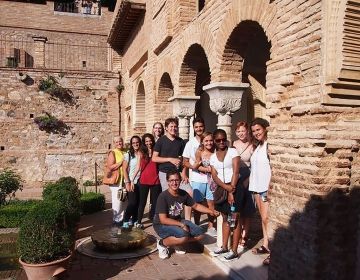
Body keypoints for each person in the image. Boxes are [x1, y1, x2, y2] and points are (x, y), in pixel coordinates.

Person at [153, 170, 219, 259]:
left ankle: (176, 242)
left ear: (180, 181)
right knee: (184, 236)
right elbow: (163, 219)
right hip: (161, 225)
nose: (174, 183)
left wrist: (210, 211)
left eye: (176, 180)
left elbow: (195, 205)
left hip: (177, 221)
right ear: (167, 182)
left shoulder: (183, 193)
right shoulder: (163, 196)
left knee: (201, 233)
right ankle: (162, 244)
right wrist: (182, 224)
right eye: (171, 180)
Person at [210, 129, 243, 261]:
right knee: (225, 218)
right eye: (218, 140)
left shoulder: (233, 151)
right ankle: (224, 246)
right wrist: (225, 187)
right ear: (214, 141)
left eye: (224, 139)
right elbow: (214, 175)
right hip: (222, 188)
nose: (222, 142)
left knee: (234, 219)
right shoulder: (213, 157)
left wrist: (231, 191)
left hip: (235, 188)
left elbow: (236, 171)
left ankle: (234, 251)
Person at [249, 118, 271, 265]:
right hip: (256, 187)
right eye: (254, 131)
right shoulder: (258, 147)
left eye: (258, 129)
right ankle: (266, 245)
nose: (256, 133)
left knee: (267, 219)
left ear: (265, 128)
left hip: (265, 188)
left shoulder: (269, 146)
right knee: (263, 219)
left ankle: (273, 250)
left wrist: (270, 187)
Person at [232, 121, 256, 250]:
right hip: (236, 177)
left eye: (243, 131)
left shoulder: (252, 145)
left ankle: (244, 237)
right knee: (237, 209)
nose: (241, 133)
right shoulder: (233, 144)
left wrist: (248, 179)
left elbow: (255, 165)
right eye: (239, 131)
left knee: (247, 210)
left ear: (247, 131)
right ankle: (237, 233)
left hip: (248, 177)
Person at [191, 131, 217, 236]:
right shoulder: (199, 152)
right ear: (202, 142)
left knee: (211, 203)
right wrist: (208, 170)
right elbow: (196, 166)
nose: (209, 143)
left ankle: (211, 226)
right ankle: (197, 225)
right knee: (198, 203)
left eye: (210, 140)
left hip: (212, 181)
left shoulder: (216, 151)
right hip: (199, 180)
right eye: (206, 141)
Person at [152, 117, 186, 192]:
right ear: (166, 128)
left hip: (178, 173)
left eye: (175, 126)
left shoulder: (181, 141)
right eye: (171, 126)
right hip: (165, 173)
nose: (173, 128)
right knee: (169, 194)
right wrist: (170, 159)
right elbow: (154, 158)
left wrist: (183, 173)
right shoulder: (161, 141)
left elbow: (184, 159)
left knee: (189, 192)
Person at [137, 133, 162, 227]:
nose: (149, 143)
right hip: (144, 180)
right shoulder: (141, 152)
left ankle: (154, 220)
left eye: (150, 140)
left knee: (155, 202)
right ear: (144, 142)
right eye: (146, 141)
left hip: (155, 179)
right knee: (142, 202)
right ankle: (139, 222)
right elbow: (138, 167)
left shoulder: (157, 150)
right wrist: (131, 180)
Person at [122, 135, 143, 228]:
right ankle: (126, 219)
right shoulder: (128, 155)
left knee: (138, 202)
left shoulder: (142, 154)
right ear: (131, 144)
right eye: (133, 143)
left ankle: (134, 220)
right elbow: (124, 169)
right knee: (132, 202)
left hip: (141, 181)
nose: (135, 144)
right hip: (131, 181)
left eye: (137, 142)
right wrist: (128, 182)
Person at [106, 136, 126, 226]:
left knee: (124, 200)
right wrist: (121, 162)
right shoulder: (113, 152)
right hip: (116, 180)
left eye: (120, 141)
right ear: (114, 143)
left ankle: (122, 219)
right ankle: (116, 220)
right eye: (117, 142)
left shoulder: (125, 151)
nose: (119, 143)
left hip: (125, 180)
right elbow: (110, 167)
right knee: (117, 200)